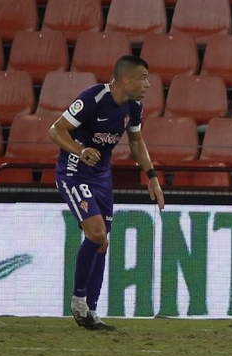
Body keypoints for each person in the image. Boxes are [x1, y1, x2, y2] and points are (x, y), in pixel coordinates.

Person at [49, 55, 167, 331]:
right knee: (96, 234)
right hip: (74, 172)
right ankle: (78, 301)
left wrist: (151, 176)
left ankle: (91, 312)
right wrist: (79, 150)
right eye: (143, 78)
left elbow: (136, 141)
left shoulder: (134, 107)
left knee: (102, 243)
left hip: (101, 176)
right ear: (125, 78)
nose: (148, 84)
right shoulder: (93, 98)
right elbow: (56, 130)